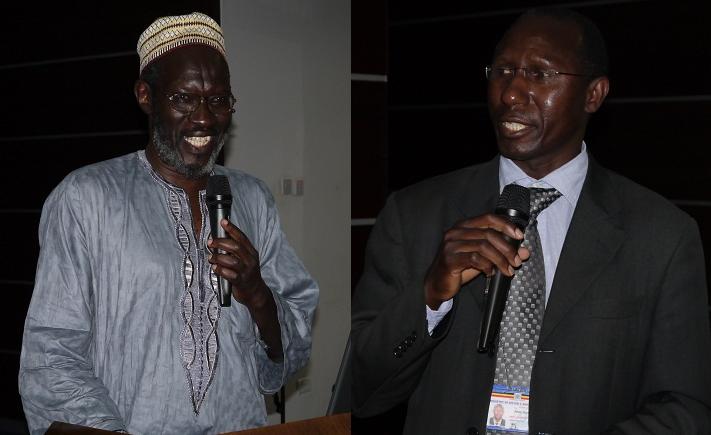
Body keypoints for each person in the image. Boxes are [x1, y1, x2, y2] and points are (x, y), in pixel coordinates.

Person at [352, 7, 711, 435]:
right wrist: (430, 296)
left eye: (540, 75)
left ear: (593, 94)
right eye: (502, 70)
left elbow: (684, 408)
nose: (510, 93)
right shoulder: (414, 215)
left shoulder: (661, 236)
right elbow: (362, 392)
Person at [19, 12, 318, 435]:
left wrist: (258, 294)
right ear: (146, 96)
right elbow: (52, 351)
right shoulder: (87, 197)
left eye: (218, 100)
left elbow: (295, 341)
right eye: (184, 98)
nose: (204, 118)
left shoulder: (252, 198)